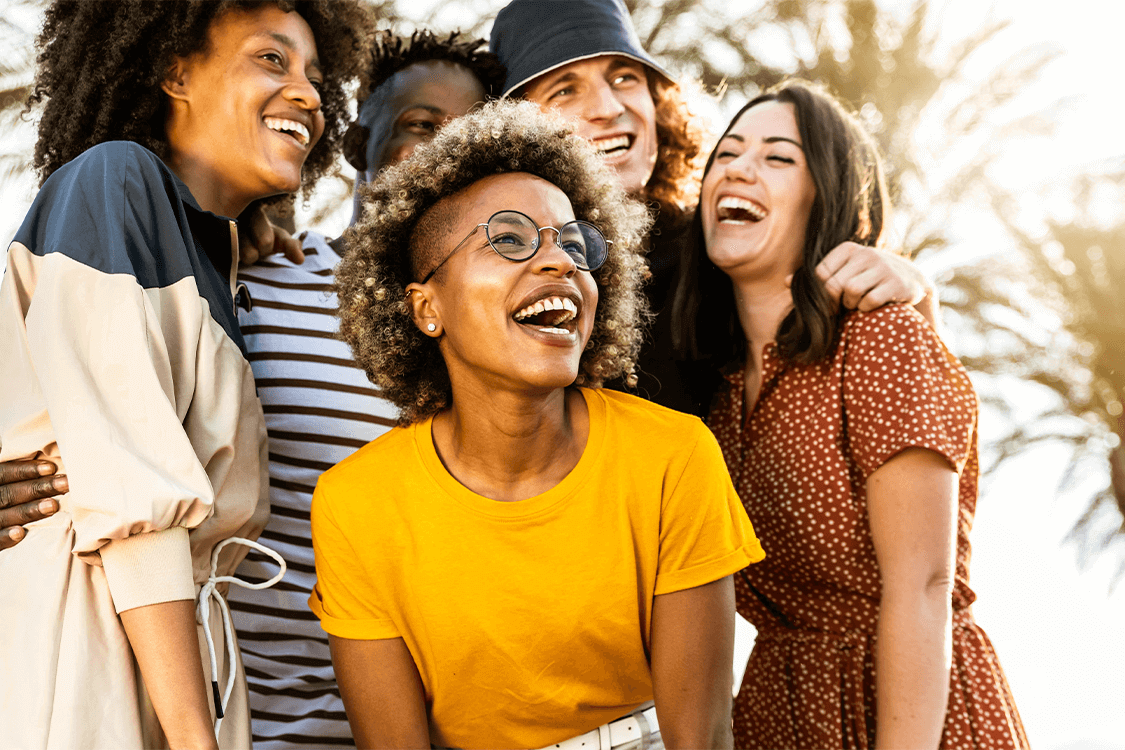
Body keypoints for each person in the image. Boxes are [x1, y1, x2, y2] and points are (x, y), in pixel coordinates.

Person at [311, 99, 764, 750]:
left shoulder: (673, 457)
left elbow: (700, 739)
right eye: (509, 238)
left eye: (574, 244)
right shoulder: (356, 507)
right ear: (426, 306)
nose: (561, 264)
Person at [0, 2, 367, 748]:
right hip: (88, 658)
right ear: (173, 69)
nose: (307, 94)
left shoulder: (215, 258)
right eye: (272, 59)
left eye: (314, 76)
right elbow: (134, 499)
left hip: (180, 668)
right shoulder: (112, 183)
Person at [673, 79, 1028, 749]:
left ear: (827, 197)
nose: (739, 168)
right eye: (727, 154)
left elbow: (922, 586)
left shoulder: (878, 338)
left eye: (778, 157)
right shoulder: (714, 395)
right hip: (780, 714)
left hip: (911, 716)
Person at [227, 31, 504, 749]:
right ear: (355, 141)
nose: (445, 152)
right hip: (224, 718)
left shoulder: (492, 342)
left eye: (467, 136)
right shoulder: (248, 280)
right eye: (420, 126)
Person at [490, 0, 936, 413]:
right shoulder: (490, 270)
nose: (608, 107)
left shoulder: (714, 248)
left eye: (625, 78)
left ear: (658, 103)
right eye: (565, 90)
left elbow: (888, 383)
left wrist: (917, 293)